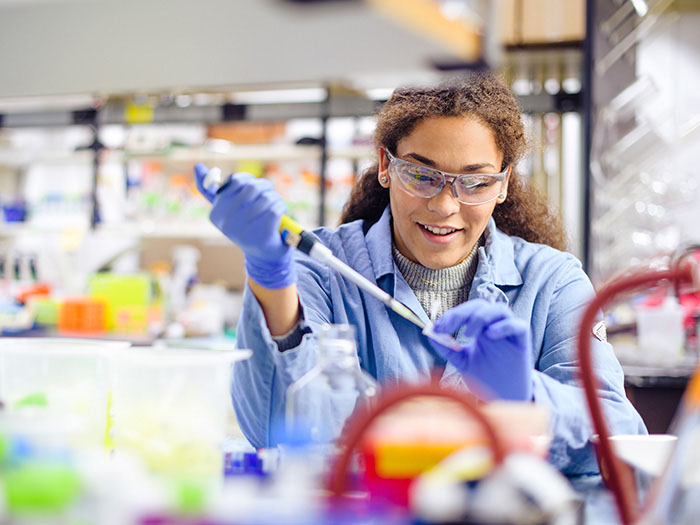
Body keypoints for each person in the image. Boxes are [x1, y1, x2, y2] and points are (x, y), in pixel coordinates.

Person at [194, 71, 645, 478]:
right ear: (387, 167)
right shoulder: (321, 268)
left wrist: (526, 396)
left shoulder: (553, 281)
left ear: (504, 183)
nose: (445, 206)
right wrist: (270, 278)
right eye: (422, 175)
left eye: (475, 181)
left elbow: (622, 436)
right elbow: (273, 429)